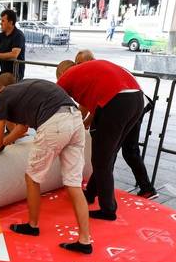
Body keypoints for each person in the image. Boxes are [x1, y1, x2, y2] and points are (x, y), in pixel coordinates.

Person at [0, 78, 91, 254]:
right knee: (73, 183)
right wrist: (3, 144)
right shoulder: (21, 90)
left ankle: (32, 225)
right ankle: (85, 241)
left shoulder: (1, 98)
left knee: (32, 178)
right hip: (75, 120)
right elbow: (21, 129)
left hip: (55, 123)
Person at [56, 59, 156, 221]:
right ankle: (90, 193)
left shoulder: (66, 77)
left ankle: (108, 209)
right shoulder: (86, 72)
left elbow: (54, 103)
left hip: (117, 101)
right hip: (137, 98)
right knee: (108, 154)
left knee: (101, 159)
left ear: (61, 73)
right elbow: (86, 108)